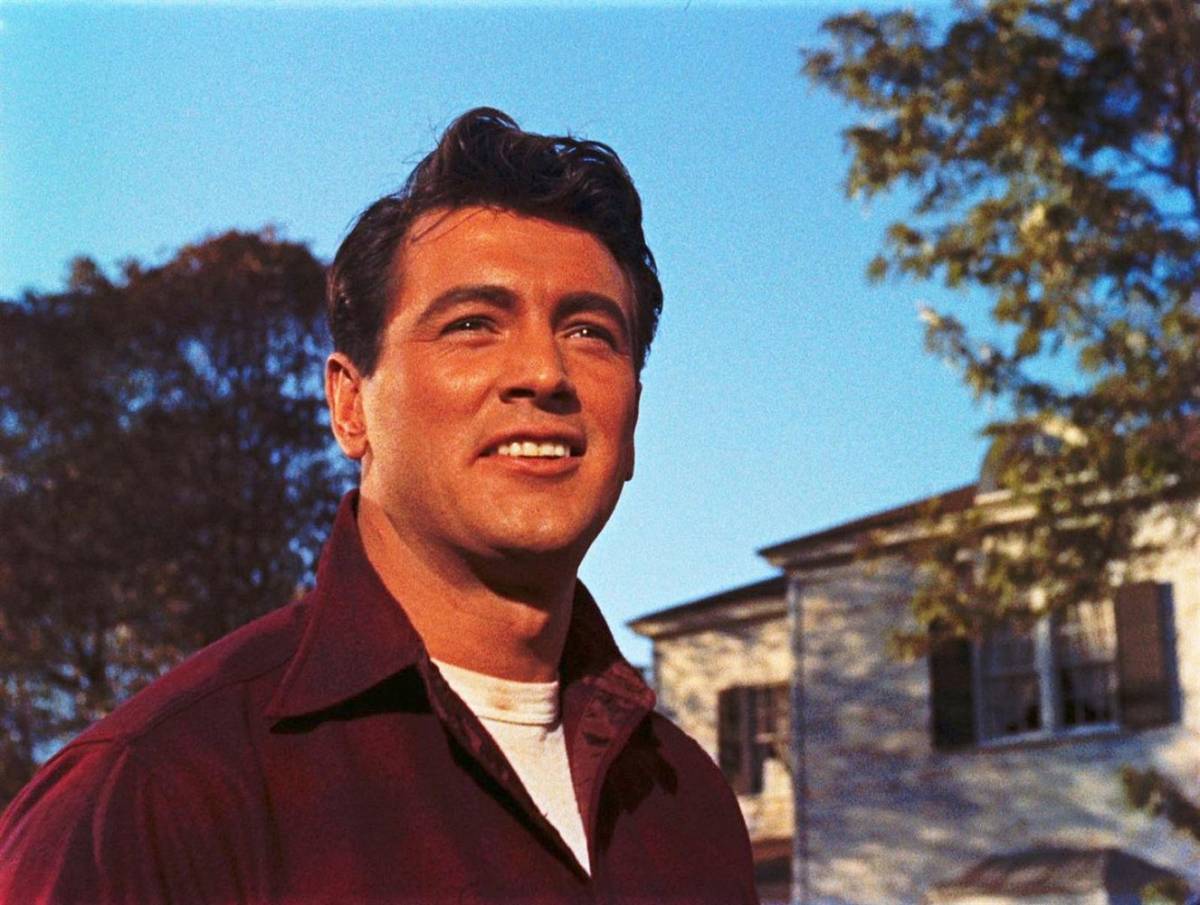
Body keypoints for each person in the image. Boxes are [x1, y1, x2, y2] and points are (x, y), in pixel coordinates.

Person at [0, 107, 759, 904]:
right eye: (473, 324)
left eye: (590, 332)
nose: (543, 372)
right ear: (350, 404)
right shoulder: (155, 797)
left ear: (631, 419)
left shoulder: (690, 809)